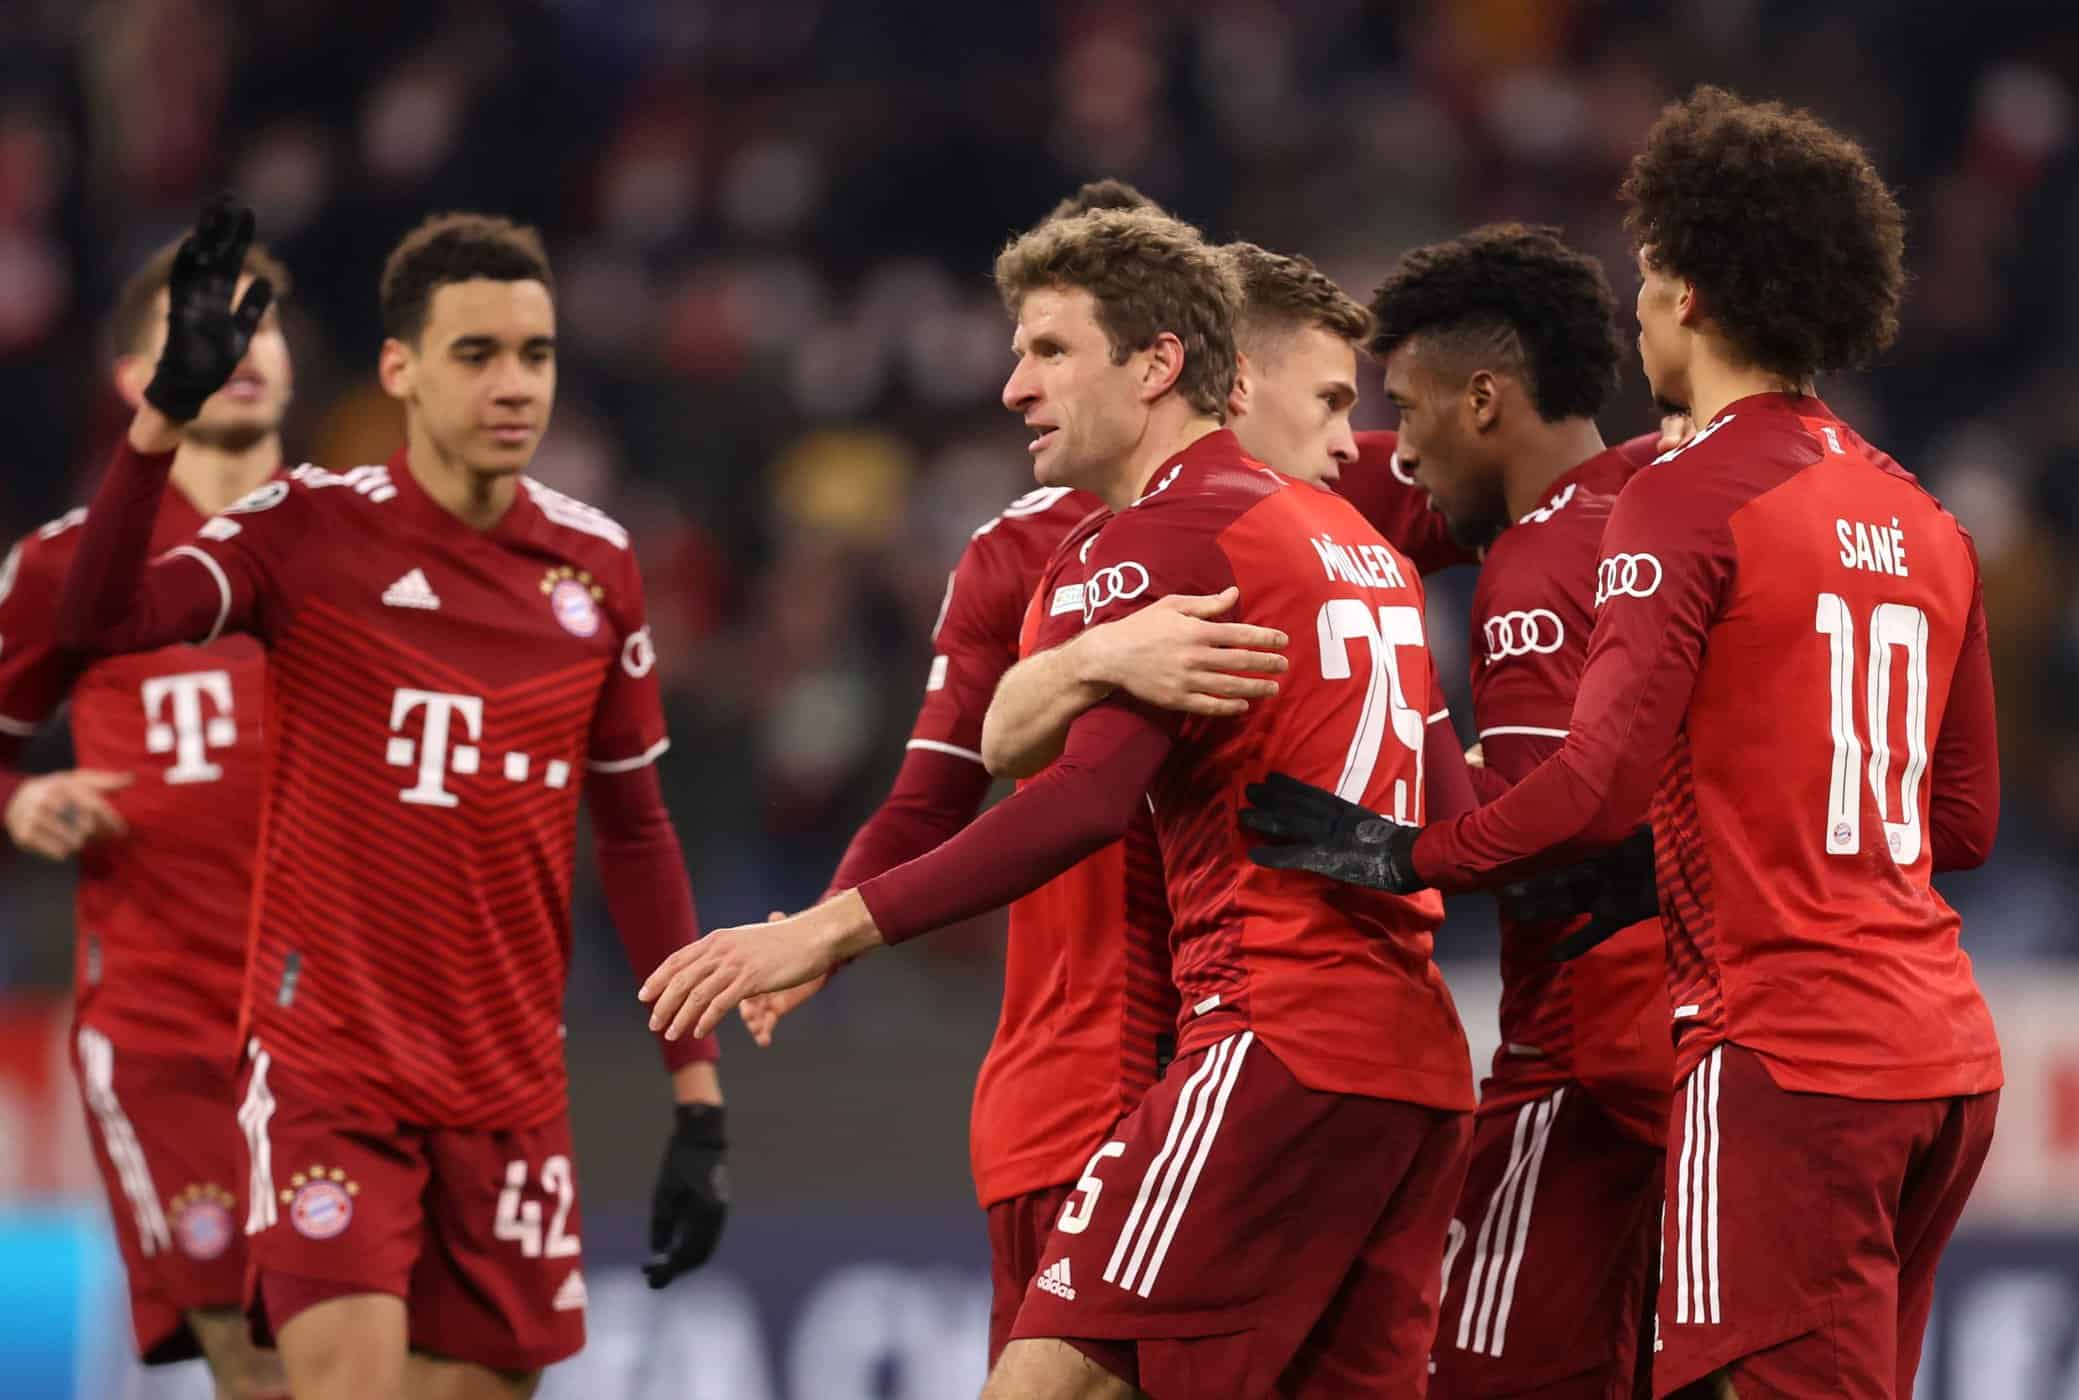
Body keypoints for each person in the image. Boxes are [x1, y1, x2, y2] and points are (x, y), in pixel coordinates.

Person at [1242, 88, 2001, 1400]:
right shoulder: (1923, 514)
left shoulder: (1679, 496)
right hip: (1943, 1056)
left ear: (1689, 295)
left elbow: (1588, 790)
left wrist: (1398, 849)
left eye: (1646, 279)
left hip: (1767, 1049)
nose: (1633, 312)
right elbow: (1963, 822)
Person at [642, 208, 1474, 1399]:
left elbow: (1080, 801)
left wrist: (823, 929)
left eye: (1049, 350)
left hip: (1261, 1039)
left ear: (1160, 363)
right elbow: (1457, 820)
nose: (1013, 386)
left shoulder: (1157, 535)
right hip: (1418, 1067)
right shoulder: (1356, 545)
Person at [55, 200, 728, 1400]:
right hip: (331, 1075)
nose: (513, 384)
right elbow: (103, 618)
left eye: (535, 353)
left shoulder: (596, 566)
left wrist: (699, 1094)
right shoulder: (308, 529)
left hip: (510, 1092)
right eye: (477, 353)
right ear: (400, 369)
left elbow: (634, 830)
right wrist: (160, 419)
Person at [0, 238, 294, 1400]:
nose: (239, 349)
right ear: (138, 381)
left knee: (393, 1354)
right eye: (202, 333)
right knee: (258, 1356)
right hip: (164, 1018)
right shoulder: (67, 566)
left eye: (260, 324)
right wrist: (22, 796)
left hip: (340, 1015)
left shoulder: (367, 548)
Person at [1336, 222, 1675, 1399]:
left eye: (1404, 408)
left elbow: (1542, 838)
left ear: (1483, 400)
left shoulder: (1531, 567)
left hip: (1583, 1054)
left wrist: (1393, 783)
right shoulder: (1661, 495)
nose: (1398, 449)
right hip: (1719, 1041)